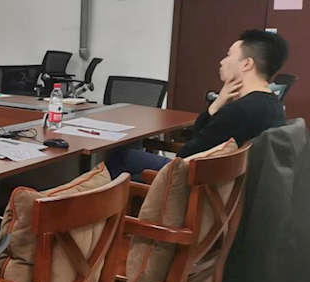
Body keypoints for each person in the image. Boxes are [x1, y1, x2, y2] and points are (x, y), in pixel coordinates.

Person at [107, 29, 289, 178]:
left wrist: (218, 108)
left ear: (246, 64)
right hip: (221, 183)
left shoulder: (239, 112)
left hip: (193, 185)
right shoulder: (273, 105)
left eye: (228, 55)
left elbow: (185, 154)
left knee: (122, 162)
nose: (222, 61)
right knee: (126, 157)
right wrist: (217, 104)